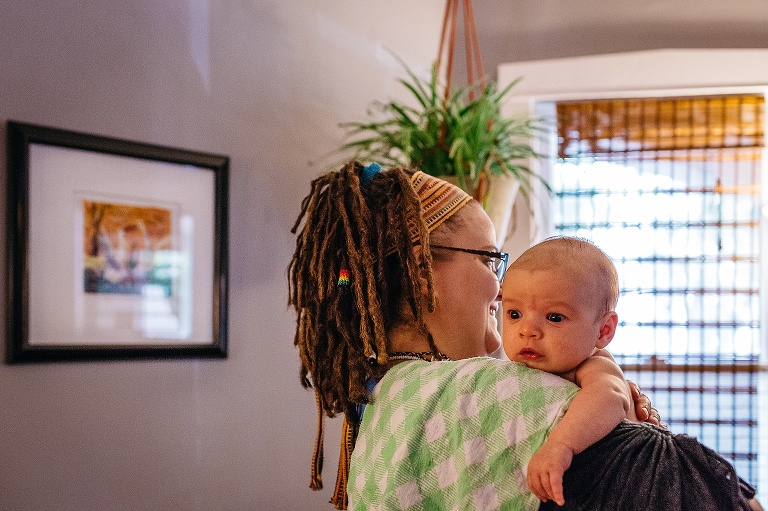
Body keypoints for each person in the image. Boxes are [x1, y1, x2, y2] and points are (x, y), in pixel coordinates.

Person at [288, 161, 755, 510]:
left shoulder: (385, 406)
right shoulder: (502, 395)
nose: (499, 284)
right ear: (419, 271)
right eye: (489, 258)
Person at [502, 236, 761, 510]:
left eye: (554, 317)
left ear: (603, 331)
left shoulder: (594, 365)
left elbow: (609, 398)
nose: (527, 330)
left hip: (642, 485)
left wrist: (559, 447)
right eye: (514, 314)